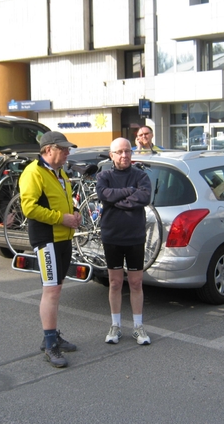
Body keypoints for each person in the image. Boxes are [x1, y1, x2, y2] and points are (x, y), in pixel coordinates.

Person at [19, 131, 81, 368]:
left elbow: (65, 201)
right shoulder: (33, 172)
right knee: (51, 291)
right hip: (46, 239)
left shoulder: (60, 172)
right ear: (48, 150)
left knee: (57, 288)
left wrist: (74, 212)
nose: (68, 152)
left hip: (63, 237)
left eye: (67, 149)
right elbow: (29, 209)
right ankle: (49, 344)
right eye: (63, 149)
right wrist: (61, 218)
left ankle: (52, 336)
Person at [96, 137, 152, 345]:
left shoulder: (141, 175)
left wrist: (117, 199)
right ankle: (116, 326)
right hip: (112, 235)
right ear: (111, 155)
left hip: (135, 236)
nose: (124, 155)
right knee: (115, 282)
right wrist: (129, 191)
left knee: (136, 283)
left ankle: (138, 327)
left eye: (127, 151)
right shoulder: (104, 176)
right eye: (119, 152)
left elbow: (144, 197)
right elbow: (104, 194)